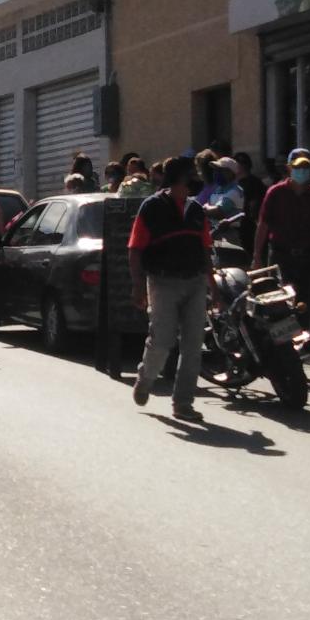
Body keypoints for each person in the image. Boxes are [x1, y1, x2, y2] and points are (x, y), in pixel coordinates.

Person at [128, 155, 214, 422]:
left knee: (193, 346)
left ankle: (183, 403)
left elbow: (206, 250)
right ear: (179, 179)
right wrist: (138, 287)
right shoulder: (151, 207)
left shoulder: (197, 211)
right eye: (191, 176)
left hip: (195, 282)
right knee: (162, 340)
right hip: (163, 282)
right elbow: (135, 249)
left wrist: (214, 287)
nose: (195, 182)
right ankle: (145, 379)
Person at [252, 149, 310, 321]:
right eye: (298, 167)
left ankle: (302, 339)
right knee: (279, 302)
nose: (302, 172)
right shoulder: (275, 193)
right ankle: (282, 342)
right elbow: (263, 225)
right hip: (281, 256)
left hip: (306, 257)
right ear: (289, 169)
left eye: (306, 168)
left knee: (304, 304)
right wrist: (257, 256)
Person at [233, 151, 267, 256]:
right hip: (239, 227)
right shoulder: (235, 183)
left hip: (248, 228)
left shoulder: (253, 183)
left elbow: (254, 207)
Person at [203, 157, 245, 225]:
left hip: (231, 233)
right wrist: (207, 209)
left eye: (220, 170)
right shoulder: (218, 190)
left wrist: (206, 208)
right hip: (216, 232)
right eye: (215, 170)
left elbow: (219, 212)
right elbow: (208, 206)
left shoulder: (235, 191)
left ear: (230, 173)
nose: (216, 173)